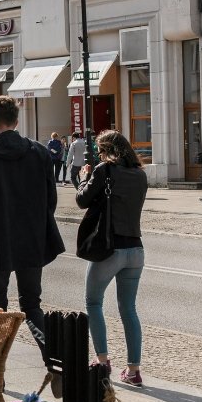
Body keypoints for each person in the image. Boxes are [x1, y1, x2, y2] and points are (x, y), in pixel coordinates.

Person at [0, 96, 65, 364]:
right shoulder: (39, 152)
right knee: (32, 304)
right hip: (32, 237)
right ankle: (54, 361)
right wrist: (38, 225)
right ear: (17, 121)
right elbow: (51, 198)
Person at [76, 130, 148, 386]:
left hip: (109, 249)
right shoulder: (140, 174)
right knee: (128, 309)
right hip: (136, 250)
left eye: (99, 150)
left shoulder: (105, 170)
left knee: (93, 302)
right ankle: (134, 371)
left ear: (105, 150)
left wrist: (83, 178)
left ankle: (103, 361)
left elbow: (82, 201)